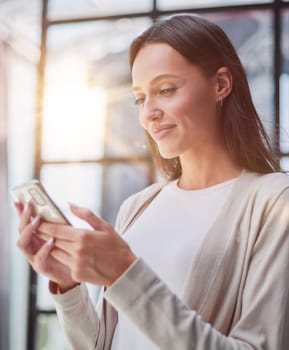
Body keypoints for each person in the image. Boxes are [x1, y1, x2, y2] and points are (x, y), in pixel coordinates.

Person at [15, 14, 289, 350]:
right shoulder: (138, 206)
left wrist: (125, 273)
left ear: (221, 85)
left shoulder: (275, 203)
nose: (149, 114)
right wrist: (68, 285)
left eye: (166, 90)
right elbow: (105, 345)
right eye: (140, 98)